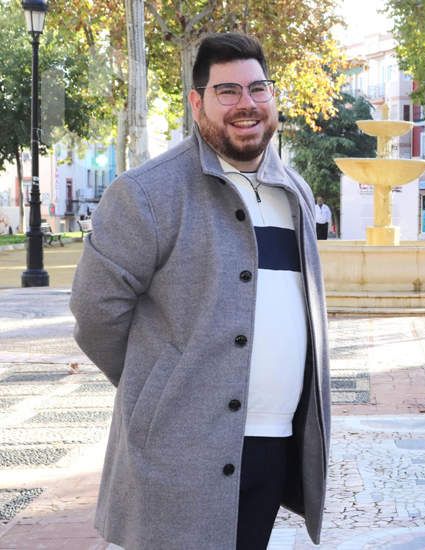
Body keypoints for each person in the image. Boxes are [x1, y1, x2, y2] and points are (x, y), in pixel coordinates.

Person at [69, 33, 330, 550]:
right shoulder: (146, 193)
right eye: (227, 91)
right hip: (179, 451)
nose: (247, 104)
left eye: (258, 88)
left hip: (275, 442)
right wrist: (164, 385)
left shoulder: (294, 192)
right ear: (197, 102)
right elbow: (95, 311)